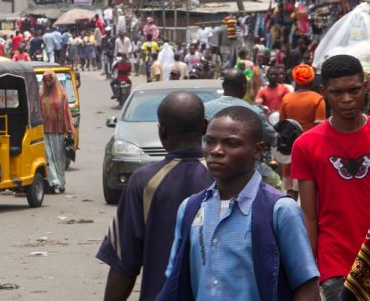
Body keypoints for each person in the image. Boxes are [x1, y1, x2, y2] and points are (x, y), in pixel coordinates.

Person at [158, 106, 320, 301]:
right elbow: (174, 281)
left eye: (231, 144)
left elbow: (306, 285)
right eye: (210, 141)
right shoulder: (190, 208)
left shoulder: (280, 210)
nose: (216, 151)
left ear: (257, 151)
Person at [98, 91, 213, 301]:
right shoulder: (225, 178)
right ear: (205, 126)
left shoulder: (143, 181)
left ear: (162, 131)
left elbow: (124, 263)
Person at [291, 54, 370, 300]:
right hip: (334, 264)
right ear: (324, 91)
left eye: (354, 90)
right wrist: (307, 273)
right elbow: (309, 216)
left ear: (365, 86)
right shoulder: (306, 145)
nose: (347, 100)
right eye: (337, 93)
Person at [204, 68, 282, 189]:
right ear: (244, 87)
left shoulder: (204, 109)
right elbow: (272, 138)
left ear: (224, 86)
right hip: (244, 171)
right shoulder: (254, 111)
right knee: (276, 183)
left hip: (208, 167)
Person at [278, 64, 325, 199]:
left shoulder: (287, 98)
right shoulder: (318, 99)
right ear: (312, 79)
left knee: (291, 191)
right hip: (310, 148)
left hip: (291, 147)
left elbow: (282, 124)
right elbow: (319, 127)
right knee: (310, 192)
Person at [39, 70, 74, 193]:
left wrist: (69, 129)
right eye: (45, 81)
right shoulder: (41, 94)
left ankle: (61, 183)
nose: (47, 83)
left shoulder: (61, 95)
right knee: (48, 156)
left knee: (59, 158)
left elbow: (67, 113)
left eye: (49, 80)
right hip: (44, 131)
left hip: (58, 131)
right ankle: (54, 182)